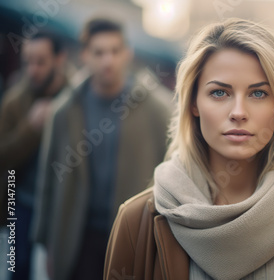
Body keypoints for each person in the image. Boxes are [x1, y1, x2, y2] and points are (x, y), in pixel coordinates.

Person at [104, 18, 274, 279]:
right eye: (219, 93)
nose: (239, 113)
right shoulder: (136, 222)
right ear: (193, 103)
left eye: (258, 93)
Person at [31, 18, 174, 280]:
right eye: (99, 52)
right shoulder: (64, 110)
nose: (108, 61)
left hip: (133, 236)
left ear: (127, 53)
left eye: (115, 51)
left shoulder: (158, 109)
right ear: (84, 55)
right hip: (78, 237)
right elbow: (48, 181)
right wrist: (47, 245)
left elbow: (176, 174)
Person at [0, 30, 68, 280]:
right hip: (20, 204)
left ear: (60, 59)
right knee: (16, 266)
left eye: (40, 61)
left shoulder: (75, 100)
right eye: (28, 61)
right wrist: (30, 128)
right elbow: (3, 156)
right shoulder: (14, 102)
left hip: (60, 207)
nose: (32, 69)